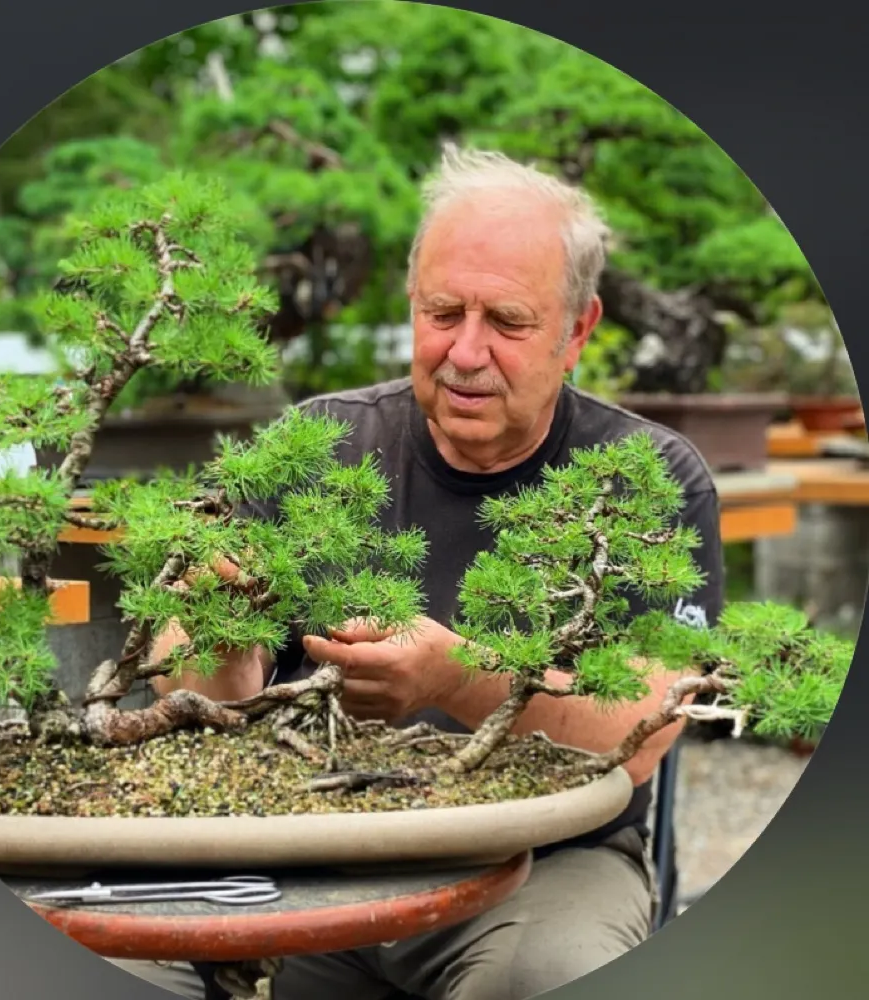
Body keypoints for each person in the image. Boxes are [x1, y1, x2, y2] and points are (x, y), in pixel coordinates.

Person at [109, 145, 724, 999]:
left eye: (506, 321)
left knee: (555, 974)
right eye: (442, 313)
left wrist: (458, 675)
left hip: (539, 864)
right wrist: (216, 629)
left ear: (577, 330)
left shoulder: (649, 478)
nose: (465, 351)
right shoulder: (316, 446)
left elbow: (645, 728)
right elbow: (196, 696)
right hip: (305, 843)